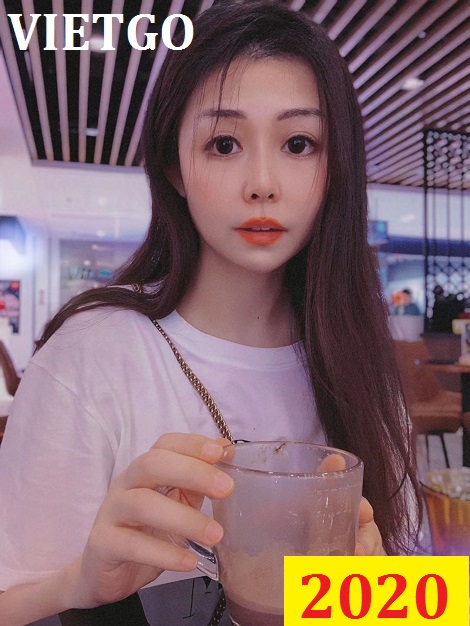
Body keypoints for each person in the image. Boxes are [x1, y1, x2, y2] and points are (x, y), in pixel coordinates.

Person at [0, 2, 422, 624]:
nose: (262, 183)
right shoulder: (93, 354)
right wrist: (76, 584)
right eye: (224, 144)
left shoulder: (360, 363)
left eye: (298, 144)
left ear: (336, 168)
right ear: (174, 166)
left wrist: (377, 593)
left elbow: (415, 597)